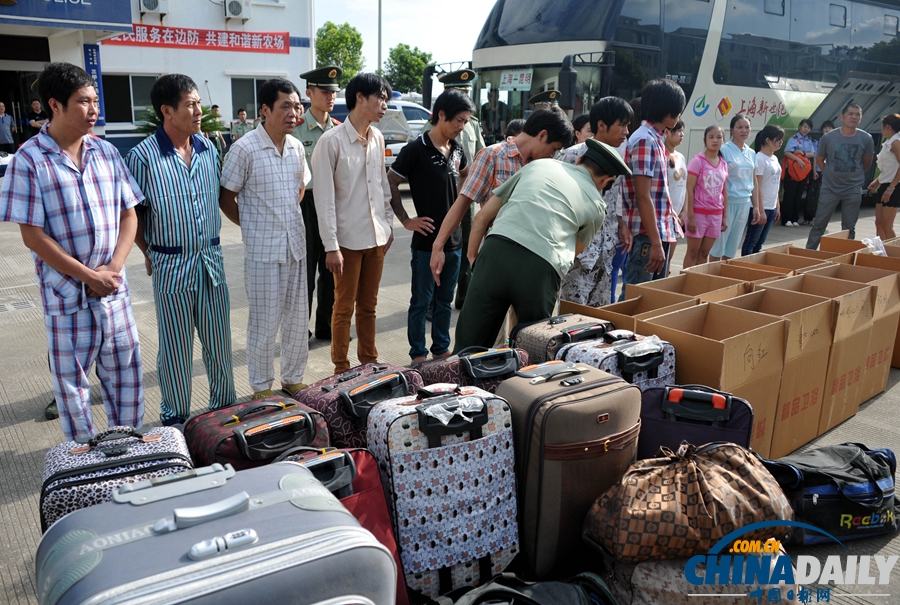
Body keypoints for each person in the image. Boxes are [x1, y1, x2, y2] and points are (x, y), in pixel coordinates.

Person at [0, 63, 144, 439]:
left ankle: (130, 457)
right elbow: (33, 237)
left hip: (114, 293)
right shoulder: (28, 160)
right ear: (55, 105)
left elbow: (129, 216)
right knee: (73, 391)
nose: (94, 109)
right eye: (84, 101)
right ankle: (84, 470)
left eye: (95, 100)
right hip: (67, 299)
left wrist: (111, 268)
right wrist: (88, 276)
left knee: (126, 380)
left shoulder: (107, 153)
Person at [126, 74, 236, 427]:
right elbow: (134, 215)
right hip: (171, 265)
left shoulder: (208, 150)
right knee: (175, 350)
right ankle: (175, 419)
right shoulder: (143, 157)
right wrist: (151, 253)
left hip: (211, 260)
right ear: (167, 111)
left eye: (198, 103)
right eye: (190, 104)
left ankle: (222, 411)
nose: (198, 111)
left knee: (219, 344)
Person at [453, 139, 631, 351]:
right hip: (541, 269)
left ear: (580, 159)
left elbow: (482, 217)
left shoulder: (538, 165)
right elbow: (574, 251)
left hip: (495, 250)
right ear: (606, 181)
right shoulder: (597, 205)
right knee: (531, 349)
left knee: (468, 345)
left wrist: (475, 259)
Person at [220, 78, 310, 398]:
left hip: (296, 245)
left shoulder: (298, 147)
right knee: (264, 323)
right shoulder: (244, 149)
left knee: (298, 319)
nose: (293, 112)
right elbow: (226, 196)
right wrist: (253, 226)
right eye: (285, 105)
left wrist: (283, 216)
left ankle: (293, 377)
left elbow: (301, 187)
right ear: (264, 109)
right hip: (263, 251)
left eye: (297, 105)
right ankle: (261, 386)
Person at [430, 107, 574, 286]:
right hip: (498, 256)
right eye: (554, 149)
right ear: (542, 135)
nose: (553, 155)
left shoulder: (545, 166)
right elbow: (463, 203)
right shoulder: (492, 156)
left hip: (535, 259)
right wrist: (439, 247)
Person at [311, 73, 394, 374]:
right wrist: (331, 247)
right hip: (346, 240)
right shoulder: (330, 142)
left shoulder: (378, 137)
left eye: (386, 98)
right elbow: (324, 199)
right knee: (343, 308)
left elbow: (381, 185)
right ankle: (341, 368)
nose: (385, 104)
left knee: (369, 307)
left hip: (376, 237)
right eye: (380, 98)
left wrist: (388, 224)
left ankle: (369, 363)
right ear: (360, 97)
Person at [388, 90, 473, 362]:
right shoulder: (415, 149)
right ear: (441, 115)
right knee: (421, 302)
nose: (461, 127)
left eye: (465, 122)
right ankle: (418, 354)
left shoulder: (458, 149)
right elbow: (390, 181)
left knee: (445, 301)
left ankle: (440, 348)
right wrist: (406, 220)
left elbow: (465, 176)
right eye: (458, 121)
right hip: (425, 242)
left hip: (455, 241)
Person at [557, 96, 634, 307]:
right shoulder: (571, 157)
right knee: (571, 319)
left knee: (596, 320)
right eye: (622, 125)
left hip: (605, 253)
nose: (626, 132)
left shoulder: (617, 160)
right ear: (601, 125)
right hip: (578, 255)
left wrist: (621, 224)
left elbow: (609, 202)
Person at [422, 69, 487, 312]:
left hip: (467, 194)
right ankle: (431, 302)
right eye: (460, 93)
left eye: (468, 93)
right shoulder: (432, 130)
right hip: (443, 197)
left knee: (468, 245)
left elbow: (481, 156)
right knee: (440, 248)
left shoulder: (472, 124)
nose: (465, 97)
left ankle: (465, 297)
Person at [292, 66, 343, 340]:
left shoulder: (339, 130)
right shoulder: (297, 131)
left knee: (331, 268)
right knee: (305, 270)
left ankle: (326, 326)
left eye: (333, 92)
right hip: (306, 204)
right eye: (325, 92)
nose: (331, 97)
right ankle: (301, 329)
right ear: (309, 93)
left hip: (333, 204)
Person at [620, 79, 686, 290]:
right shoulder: (645, 140)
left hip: (656, 233)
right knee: (636, 299)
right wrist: (656, 244)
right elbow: (642, 196)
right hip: (647, 237)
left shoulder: (656, 138)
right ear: (669, 113)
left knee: (650, 298)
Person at [806, 103, 875, 250]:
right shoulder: (829, 137)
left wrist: (854, 175)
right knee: (819, 224)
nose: (854, 117)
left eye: (857, 114)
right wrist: (829, 173)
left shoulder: (866, 138)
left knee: (849, 228)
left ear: (861, 118)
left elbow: (867, 163)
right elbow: (820, 158)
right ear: (842, 117)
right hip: (830, 188)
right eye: (851, 114)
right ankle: (808, 253)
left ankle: (845, 256)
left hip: (853, 188)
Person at [710, 115, 759, 262]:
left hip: (744, 203)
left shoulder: (751, 153)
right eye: (740, 127)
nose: (744, 130)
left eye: (747, 127)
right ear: (732, 130)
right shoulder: (724, 150)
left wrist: (756, 206)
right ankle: (710, 276)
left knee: (732, 246)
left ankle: (724, 276)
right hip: (727, 202)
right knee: (718, 245)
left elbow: (754, 180)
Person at [683, 125, 728, 269]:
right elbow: (689, 189)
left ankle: (698, 282)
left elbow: (724, 191)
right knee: (692, 252)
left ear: (723, 140)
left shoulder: (723, 164)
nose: (715, 140)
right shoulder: (698, 161)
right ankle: (685, 282)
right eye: (711, 137)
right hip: (698, 214)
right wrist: (690, 216)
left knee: (704, 253)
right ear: (705, 140)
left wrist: (724, 217)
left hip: (716, 215)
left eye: (719, 137)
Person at [742, 125, 784, 255]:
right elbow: (757, 185)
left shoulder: (774, 158)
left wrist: (777, 206)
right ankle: (745, 268)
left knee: (759, 243)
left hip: (771, 207)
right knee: (751, 242)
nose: (780, 143)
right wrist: (760, 209)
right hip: (761, 207)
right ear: (768, 140)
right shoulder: (759, 158)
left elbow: (775, 184)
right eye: (778, 139)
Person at [868, 113, 900, 241]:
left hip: (894, 186)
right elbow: (889, 167)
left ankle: (894, 255)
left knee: (887, 225)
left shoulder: (896, 142)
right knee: (879, 223)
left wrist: (891, 187)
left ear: (887, 126)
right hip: (885, 183)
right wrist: (877, 180)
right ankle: (882, 253)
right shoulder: (889, 141)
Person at [782, 118, 816, 227]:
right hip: (792, 171)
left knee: (798, 195)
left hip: (803, 172)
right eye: (804, 126)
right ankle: (786, 219)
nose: (806, 129)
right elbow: (787, 152)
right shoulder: (794, 139)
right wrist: (798, 159)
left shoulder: (809, 140)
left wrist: (803, 154)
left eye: (808, 128)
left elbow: (813, 154)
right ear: (800, 126)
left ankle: (795, 219)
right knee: (789, 195)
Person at [665, 120, 687, 274]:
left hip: (678, 217)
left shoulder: (681, 157)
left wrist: (684, 211)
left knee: (669, 259)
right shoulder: (663, 156)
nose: (682, 134)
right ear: (667, 132)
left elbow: (684, 186)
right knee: (663, 260)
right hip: (666, 216)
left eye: (682, 131)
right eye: (678, 131)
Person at [804, 120, 833, 224]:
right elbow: (815, 157)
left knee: (826, 197)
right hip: (818, 171)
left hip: (829, 173)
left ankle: (820, 219)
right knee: (813, 195)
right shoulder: (817, 142)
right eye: (825, 128)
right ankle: (809, 218)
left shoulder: (836, 143)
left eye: (829, 127)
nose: (827, 129)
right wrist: (814, 170)